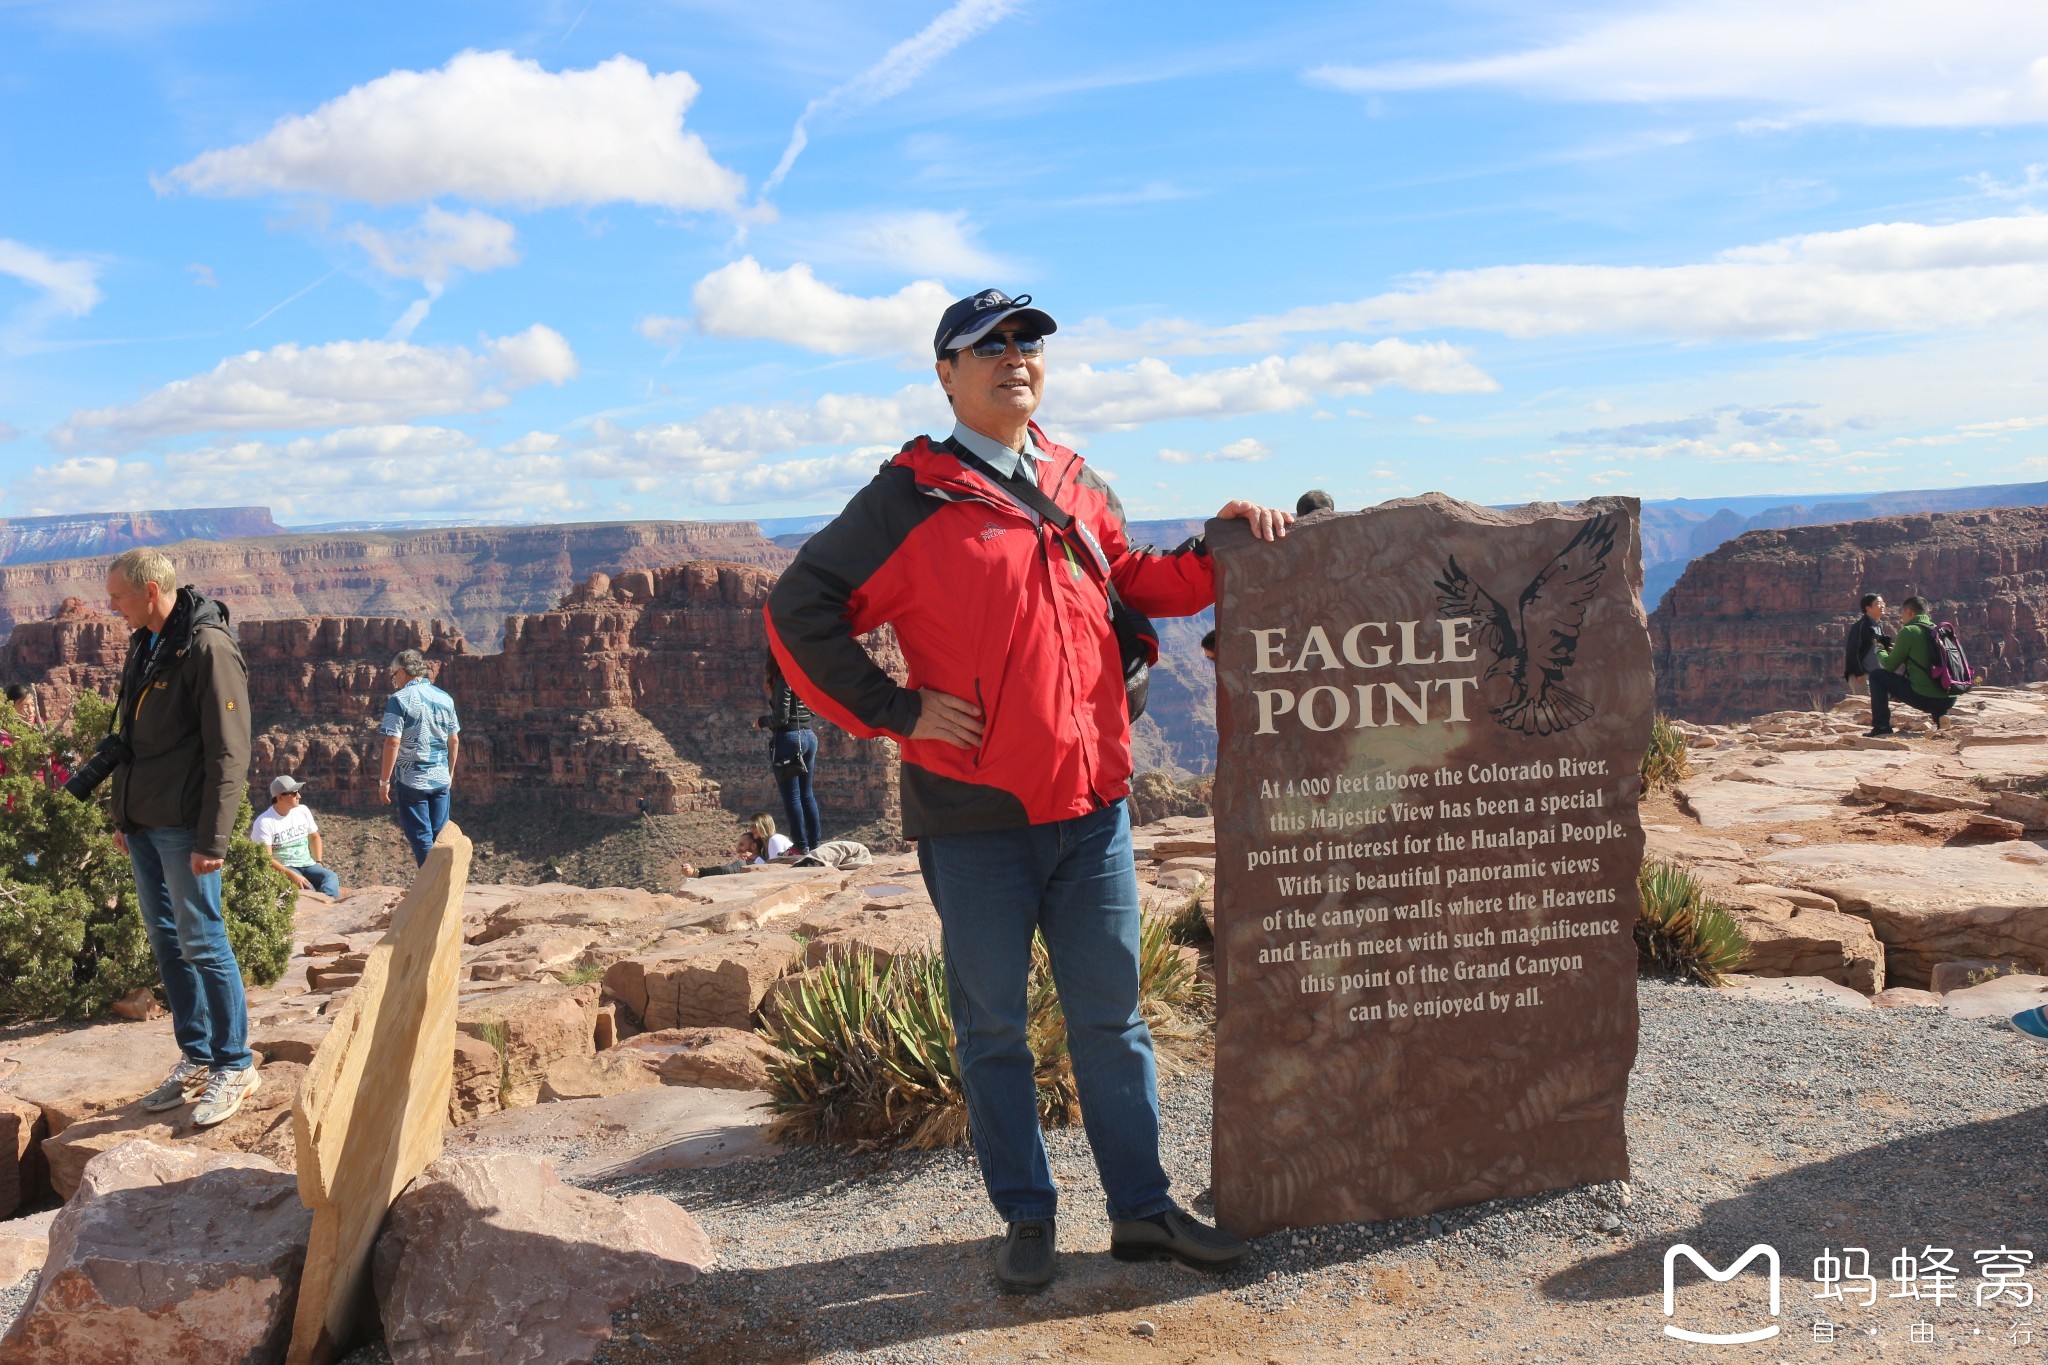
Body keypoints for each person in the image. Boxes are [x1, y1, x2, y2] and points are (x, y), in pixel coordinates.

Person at [767, 286, 1290, 1291]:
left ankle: (1140, 1214)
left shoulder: (1074, 479)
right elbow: (799, 610)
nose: (1016, 355)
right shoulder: (909, 500)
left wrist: (1224, 542)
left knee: (1112, 1022)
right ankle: (1027, 1216)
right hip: (974, 822)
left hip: (1090, 808)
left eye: (1028, 341)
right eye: (989, 343)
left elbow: (1135, 578)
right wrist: (894, 708)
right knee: (993, 1029)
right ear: (946, 373)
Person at [102, 548, 261, 1128]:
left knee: (203, 941)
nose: (110, 605)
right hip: (146, 824)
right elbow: (136, 740)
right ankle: (197, 1055)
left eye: (117, 595)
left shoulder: (208, 648)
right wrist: (124, 816)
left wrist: (213, 840)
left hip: (185, 829)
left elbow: (230, 750)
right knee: (169, 943)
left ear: (149, 591)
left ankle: (235, 1063)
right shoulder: (148, 642)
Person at [378, 648, 460, 866]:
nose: (393, 681)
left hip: (412, 780)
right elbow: (454, 741)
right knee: (439, 837)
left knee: (422, 837)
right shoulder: (445, 698)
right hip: (441, 779)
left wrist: (384, 781)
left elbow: (393, 742)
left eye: (393, 675)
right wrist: (450, 773)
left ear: (403, 672)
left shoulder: (399, 699)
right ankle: (443, 885)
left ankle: (431, 887)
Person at [759, 655, 822, 854]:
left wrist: (761, 722)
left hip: (789, 739)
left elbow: (781, 717)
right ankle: (814, 844)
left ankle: (800, 846)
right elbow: (814, 708)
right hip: (809, 736)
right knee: (807, 794)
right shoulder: (803, 674)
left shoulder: (784, 676)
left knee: (792, 797)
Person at [249, 775, 342, 898]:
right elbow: (266, 858)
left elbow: (314, 837)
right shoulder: (264, 822)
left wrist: (318, 861)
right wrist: (291, 875)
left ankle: (328, 904)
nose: (299, 796)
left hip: (307, 864)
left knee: (331, 876)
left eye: (298, 792)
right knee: (308, 888)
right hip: (285, 867)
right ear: (280, 797)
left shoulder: (302, 811)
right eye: (294, 793)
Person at [1873, 596, 1955, 733]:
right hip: (1950, 697)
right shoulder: (1940, 630)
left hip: (1924, 698)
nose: (1901, 617)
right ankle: (1942, 716)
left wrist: (1879, 650)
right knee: (1932, 682)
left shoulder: (1909, 631)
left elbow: (1889, 666)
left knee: (1877, 675)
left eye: (1902, 612)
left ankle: (1881, 726)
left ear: (1910, 612)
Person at [1842, 593, 1896, 737]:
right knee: (1866, 706)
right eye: (1878, 603)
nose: (1883, 605)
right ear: (1868, 608)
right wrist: (1859, 673)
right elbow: (1853, 651)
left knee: (1877, 704)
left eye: (1883, 603)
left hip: (1875, 675)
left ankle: (1879, 727)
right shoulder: (1861, 626)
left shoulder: (1878, 625)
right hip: (1863, 674)